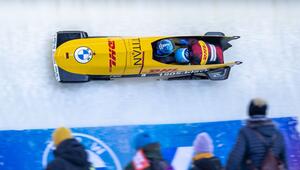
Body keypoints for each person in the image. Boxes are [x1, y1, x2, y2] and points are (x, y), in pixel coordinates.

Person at [226, 98, 287, 170]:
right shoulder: (277, 133)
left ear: (250, 111)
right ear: (265, 112)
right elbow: (284, 161)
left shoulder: (245, 132)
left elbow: (235, 158)